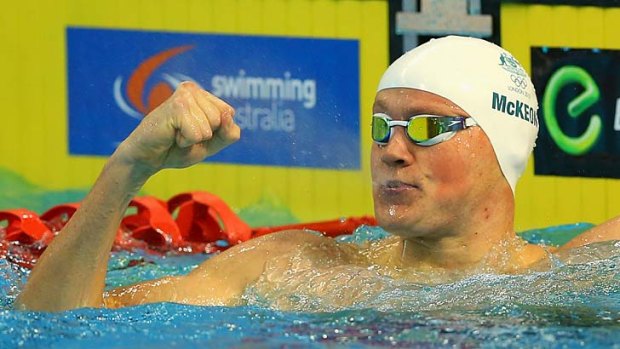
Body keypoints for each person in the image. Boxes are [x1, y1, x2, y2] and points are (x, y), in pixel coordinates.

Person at [15, 36, 620, 312]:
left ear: (505, 146)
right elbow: (56, 323)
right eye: (382, 127)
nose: (393, 150)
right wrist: (129, 166)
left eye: (429, 128)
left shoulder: (573, 281)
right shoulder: (296, 267)